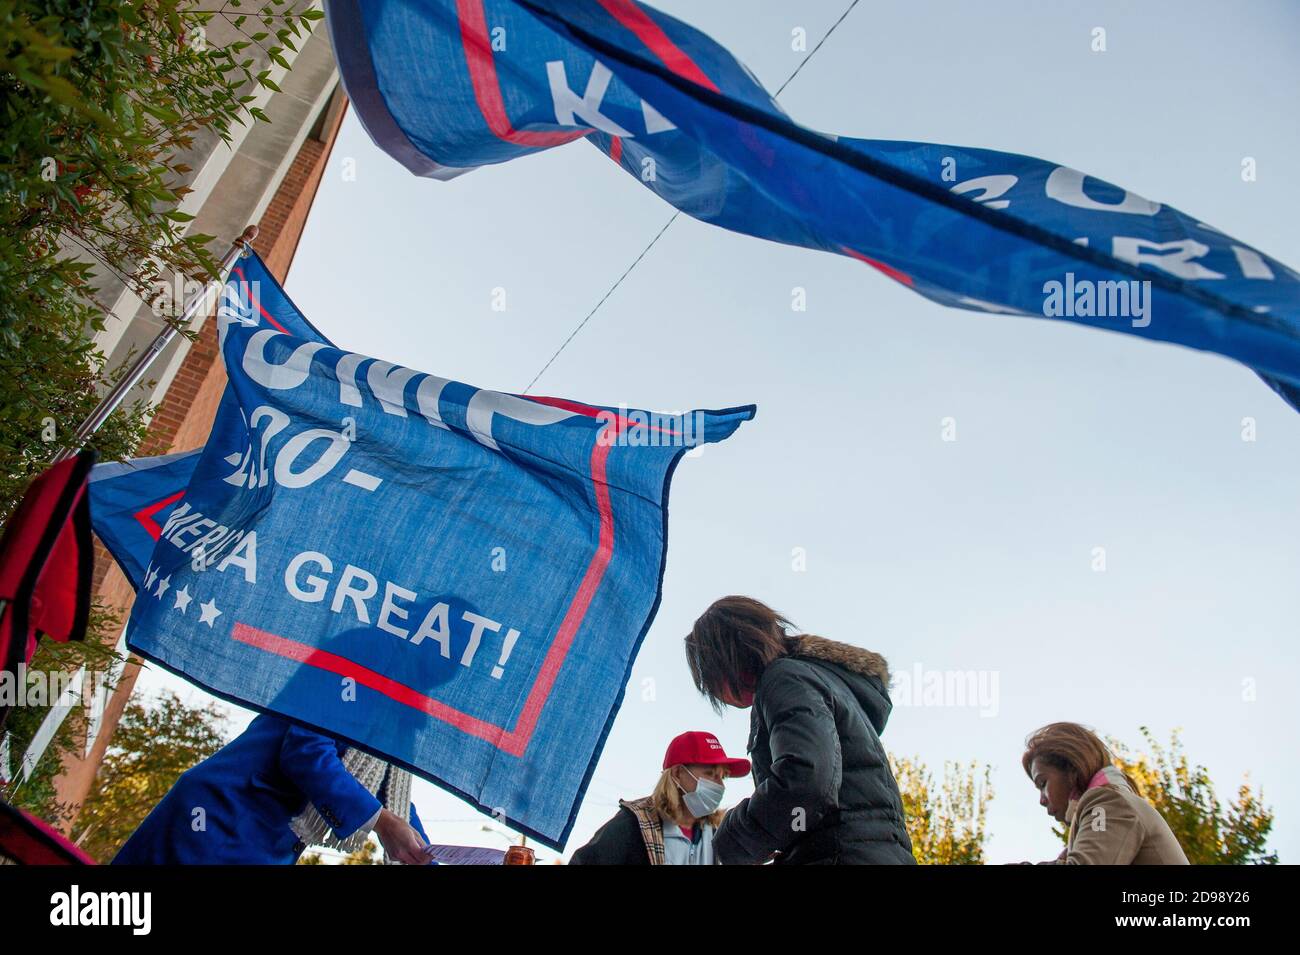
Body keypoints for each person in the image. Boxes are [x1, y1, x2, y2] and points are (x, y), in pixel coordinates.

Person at [684, 596, 914, 865]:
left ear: (729, 658)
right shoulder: (814, 679)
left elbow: (806, 781)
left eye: (709, 678)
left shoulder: (784, 678)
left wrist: (731, 839)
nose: (715, 694)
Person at [113, 714, 432, 865]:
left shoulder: (397, 708)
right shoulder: (360, 659)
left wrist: (429, 856)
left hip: (267, 844)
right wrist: (385, 824)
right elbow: (307, 751)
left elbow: (388, 790)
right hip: (222, 824)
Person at [569, 731, 749, 865]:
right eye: (710, 774)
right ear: (678, 773)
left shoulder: (715, 837)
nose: (720, 785)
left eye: (722, 777)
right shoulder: (635, 823)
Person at [1021, 721, 1189, 865]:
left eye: (1042, 784)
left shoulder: (1108, 803)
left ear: (1072, 769)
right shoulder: (1109, 805)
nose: (1042, 800)